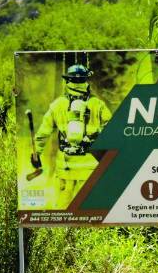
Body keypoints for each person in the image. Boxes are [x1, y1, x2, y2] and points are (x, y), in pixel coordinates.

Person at [33, 64, 113, 210]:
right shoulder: (97, 104)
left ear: (68, 81)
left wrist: (36, 154)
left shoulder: (57, 105)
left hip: (65, 168)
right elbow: (113, 129)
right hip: (89, 168)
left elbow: (43, 133)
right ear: (85, 80)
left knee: (63, 208)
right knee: (88, 209)